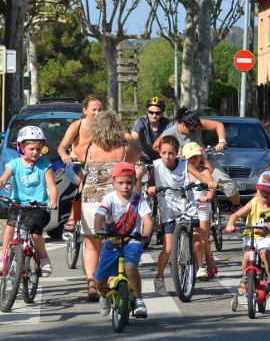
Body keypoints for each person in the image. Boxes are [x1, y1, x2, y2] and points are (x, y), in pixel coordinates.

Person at [74, 110, 141, 301]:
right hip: (115, 203)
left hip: (91, 202)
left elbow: (78, 149)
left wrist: (91, 137)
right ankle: (112, 278)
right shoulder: (124, 150)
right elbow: (138, 154)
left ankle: (91, 283)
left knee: (91, 244)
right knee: (113, 243)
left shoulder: (87, 150)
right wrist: (126, 138)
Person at [148, 136, 213, 294]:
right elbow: (150, 184)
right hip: (168, 208)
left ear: (177, 153)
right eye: (164, 153)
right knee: (169, 248)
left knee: (197, 239)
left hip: (187, 205)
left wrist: (210, 182)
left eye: (171, 153)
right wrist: (151, 189)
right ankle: (159, 277)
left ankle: (199, 266)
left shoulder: (185, 165)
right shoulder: (156, 166)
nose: (167, 156)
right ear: (159, 153)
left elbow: (201, 176)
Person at [0, 126, 57, 277]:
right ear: (21, 147)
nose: (35, 152)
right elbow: (2, 180)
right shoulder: (14, 164)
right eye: (31, 148)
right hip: (19, 204)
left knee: (35, 234)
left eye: (38, 149)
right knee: (9, 228)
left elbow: (52, 186)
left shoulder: (45, 165)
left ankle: (44, 258)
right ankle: (4, 261)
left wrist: (52, 200)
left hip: (39, 207)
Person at [94, 161, 153, 319]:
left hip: (132, 240)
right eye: (120, 182)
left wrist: (145, 236)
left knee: (130, 268)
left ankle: (139, 300)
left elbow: (147, 219)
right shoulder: (109, 198)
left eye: (129, 182)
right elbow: (99, 216)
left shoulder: (139, 198)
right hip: (112, 240)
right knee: (99, 281)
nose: (125, 186)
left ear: (134, 181)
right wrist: (99, 230)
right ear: (114, 182)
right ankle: (105, 296)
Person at [227, 170, 270, 294]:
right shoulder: (253, 203)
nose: (265, 193)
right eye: (262, 190)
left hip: (267, 237)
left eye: (269, 191)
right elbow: (236, 215)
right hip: (251, 235)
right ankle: (244, 278)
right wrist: (230, 224)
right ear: (257, 189)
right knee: (248, 255)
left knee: (264, 253)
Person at [182, 142, 220, 280]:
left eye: (195, 157)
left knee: (202, 237)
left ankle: (208, 260)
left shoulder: (204, 171)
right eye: (190, 158)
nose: (193, 161)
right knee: (188, 235)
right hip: (185, 207)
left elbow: (211, 187)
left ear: (200, 158)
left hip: (202, 207)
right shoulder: (182, 171)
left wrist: (208, 196)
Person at [58, 94, 104, 164]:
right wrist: (64, 155)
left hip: (97, 164)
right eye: (94, 110)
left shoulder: (105, 126)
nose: (97, 113)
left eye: (100, 110)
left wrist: (127, 135)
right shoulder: (76, 125)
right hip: (77, 164)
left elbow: (121, 134)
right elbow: (62, 147)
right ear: (85, 110)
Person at [130, 96, 172, 162]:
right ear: (147, 111)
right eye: (151, 112)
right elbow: (133, 139)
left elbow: (171, 142)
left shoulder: (167, 124)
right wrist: (135, 156)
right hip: (142, 158)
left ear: (162, 113)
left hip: (162, 159)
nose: (154, 115)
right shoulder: (140, 121)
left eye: (157, 113)